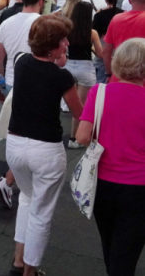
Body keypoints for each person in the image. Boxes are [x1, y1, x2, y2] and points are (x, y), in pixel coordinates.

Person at [6, 15, 83, 276]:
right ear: (52, 46)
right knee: (41, 213)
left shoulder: (21, 62)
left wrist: (57, 58)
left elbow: (45, 65)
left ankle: (19, 261)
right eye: (63, 40)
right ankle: (29, 270)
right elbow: (79, 113)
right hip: (46, 151)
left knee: (27, 198)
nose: (67, 43)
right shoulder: (62, 77)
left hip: (15, 145)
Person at [76, 38, 145, 276]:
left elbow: (82, 136)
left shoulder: (100, 92)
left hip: (102, 184)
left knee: (109, 242)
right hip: (139, 188)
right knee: (127, 251)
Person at [0, 0, 47, 208]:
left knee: (17, 134)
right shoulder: (43, 23)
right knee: (34, 137)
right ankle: (11, 181)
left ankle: (11, 180)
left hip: (13, 85)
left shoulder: (6, 22)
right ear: (41, 1)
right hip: (37, 86)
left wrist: (1, 86)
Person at [63, 2, 103, 149]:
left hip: (68, 66)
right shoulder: (92, 33)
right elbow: (100, 54)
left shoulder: (67, 30)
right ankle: (77, 137)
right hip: (85, 68)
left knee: (72, 104)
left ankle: (73, 138)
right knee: (83, 105)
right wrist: (92, 47)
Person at [103, 0, 145, 82]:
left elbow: (106, 51)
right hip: (142, 78)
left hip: (120, 77)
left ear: (130, 0)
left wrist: (109, 73)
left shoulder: (117, 19)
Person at [93, 0, 123, 82]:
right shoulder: (122, 13)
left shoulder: (99, 15)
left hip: (103, 42)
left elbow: (95, 31)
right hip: (118, 43)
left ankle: (101, 90)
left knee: (101, 67)